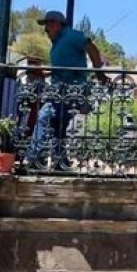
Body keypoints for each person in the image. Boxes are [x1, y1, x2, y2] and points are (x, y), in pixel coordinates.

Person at [25, 10, 106, 170]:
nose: (46, 29)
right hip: (60, 90)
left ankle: (34, 159)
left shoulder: (72, 36)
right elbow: (62, 68)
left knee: (44, 117)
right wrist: (43, 73)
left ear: (57, 24)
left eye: (48, 25)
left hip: (71, 90)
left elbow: (92, 49)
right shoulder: (58, 43)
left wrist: (98, 72)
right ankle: (60, 162)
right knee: (58, 125)